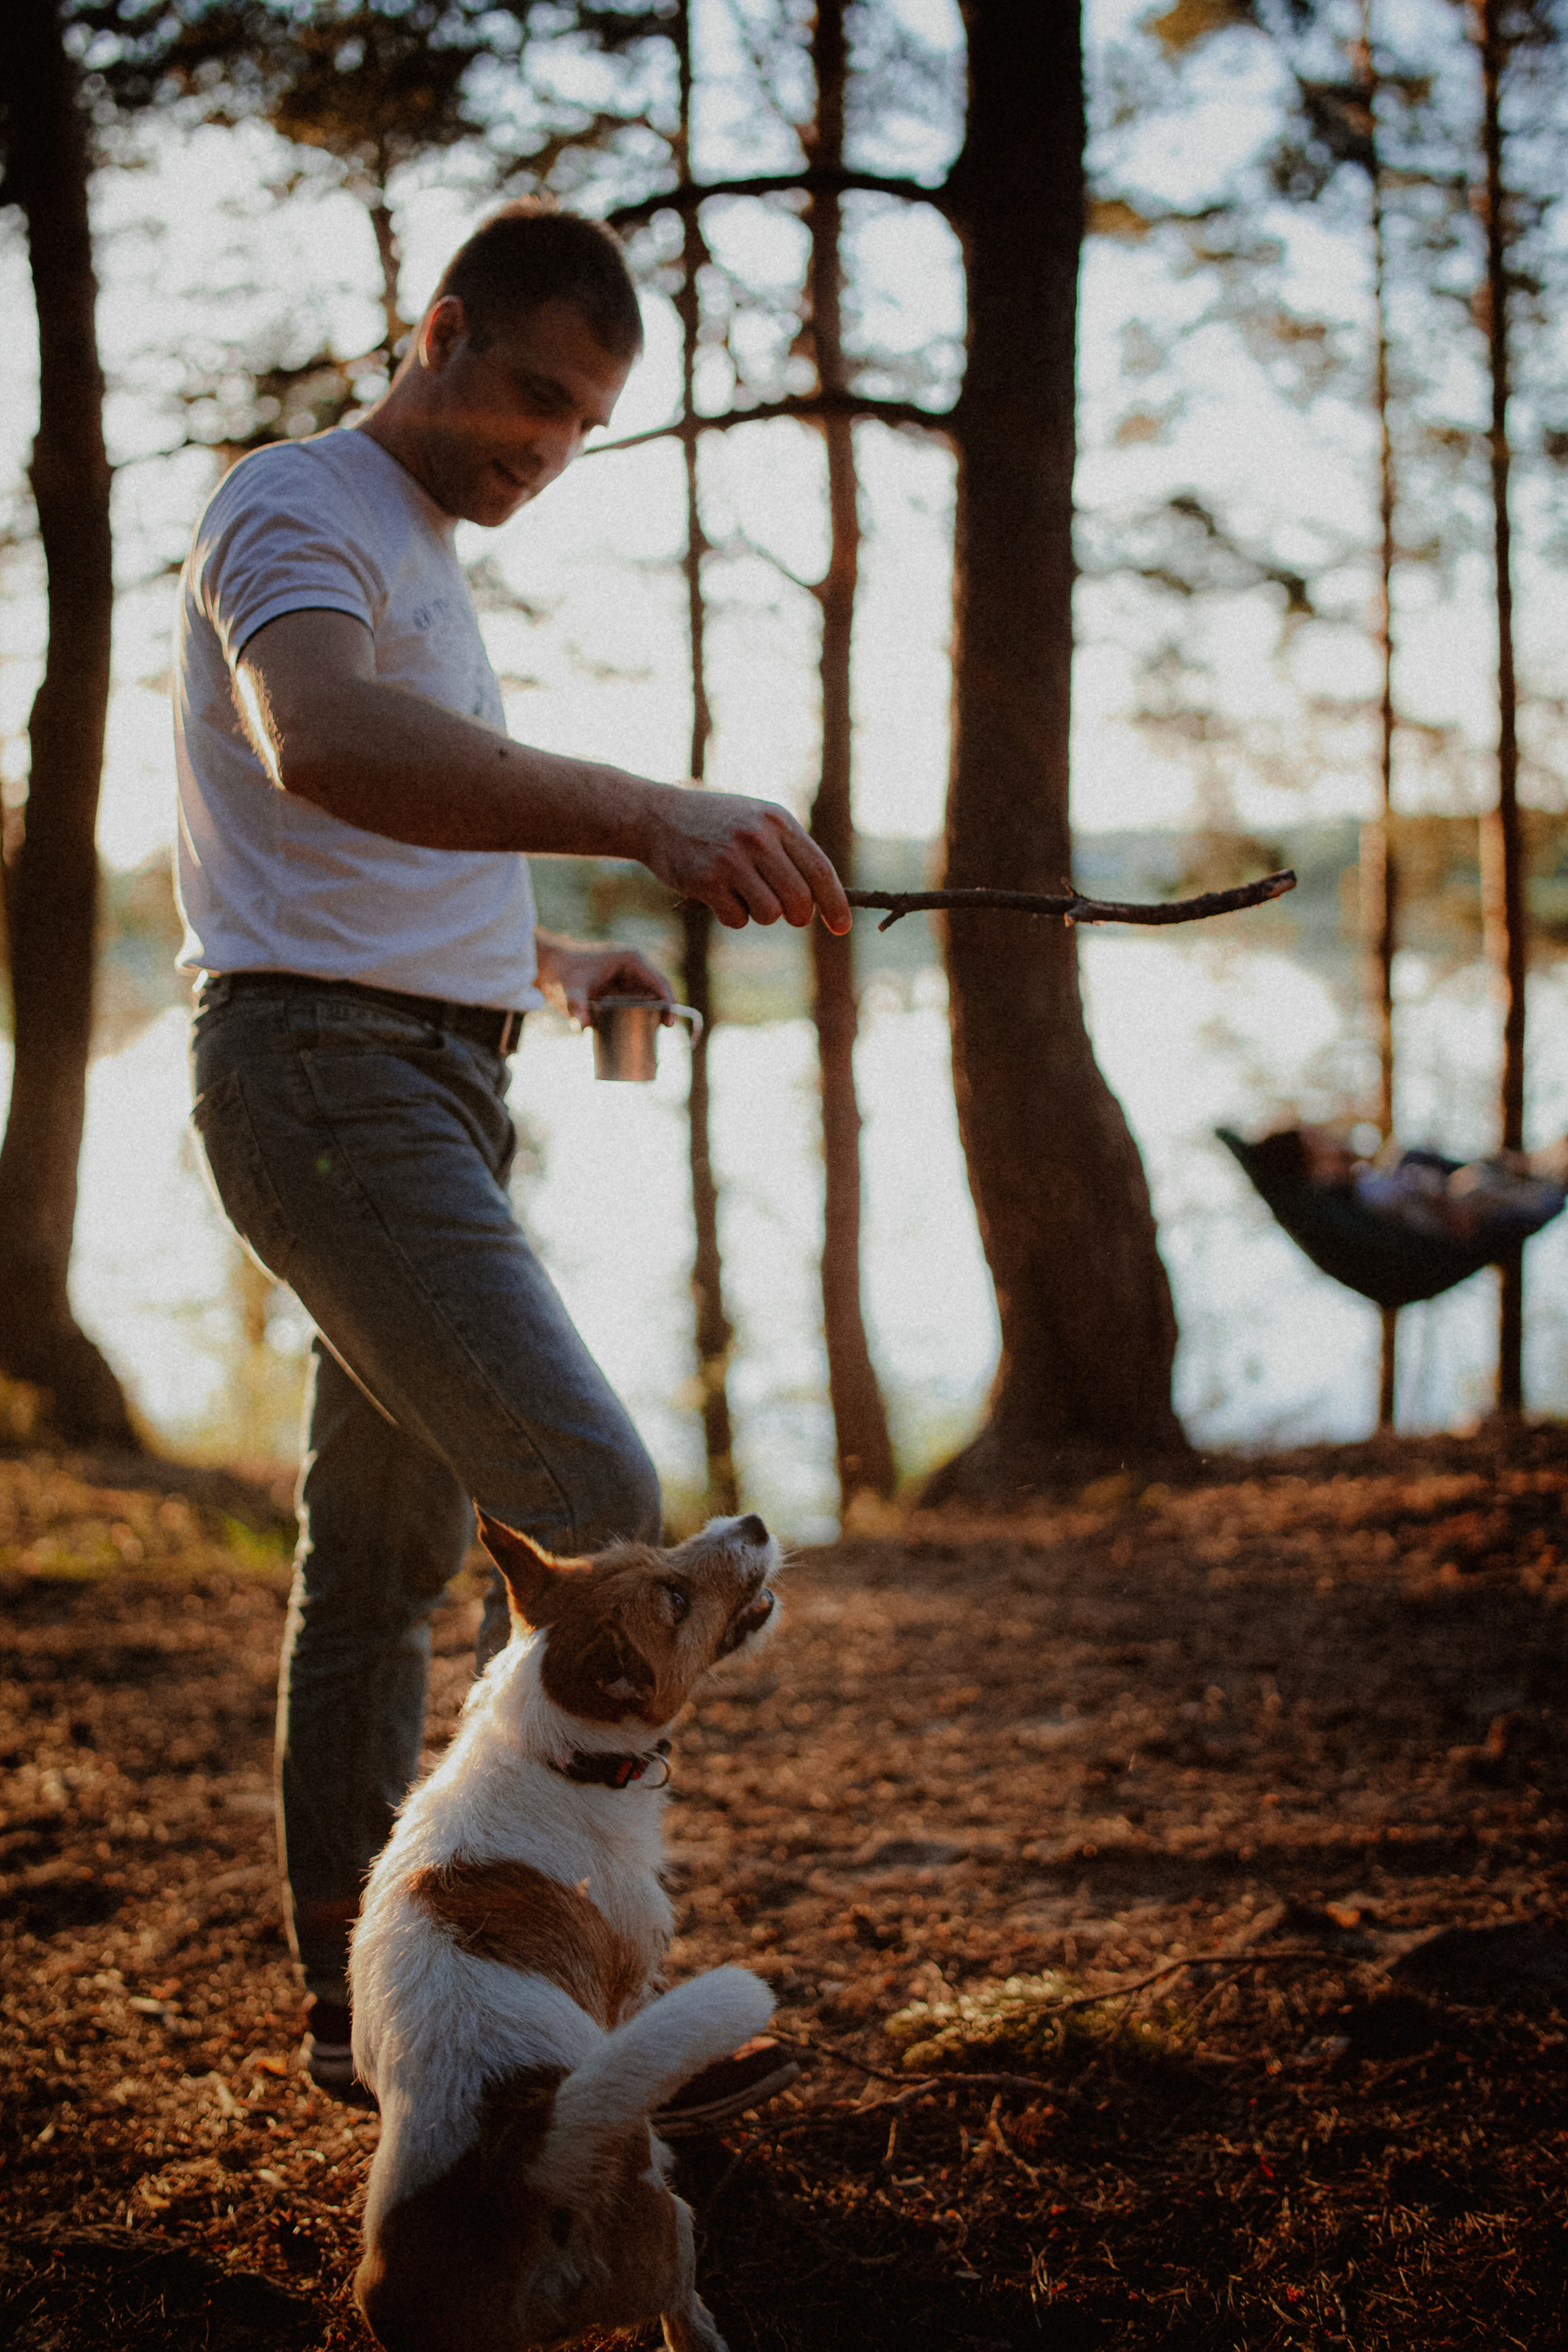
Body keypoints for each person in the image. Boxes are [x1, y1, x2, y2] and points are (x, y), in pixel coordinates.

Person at [175, 202, 848, 2107]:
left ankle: (374, 2016)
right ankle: (566, 2001)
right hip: (328, 1083)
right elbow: (315, 743)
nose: (545, 449)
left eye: (582, 426)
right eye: (533, 394)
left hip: (415, 1073)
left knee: (382, 1567)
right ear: (441, 328)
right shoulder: (295, 504)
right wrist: (649, 814)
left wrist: (547, 958)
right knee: (585, 1484)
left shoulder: (425, 559)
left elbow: (372, 848)